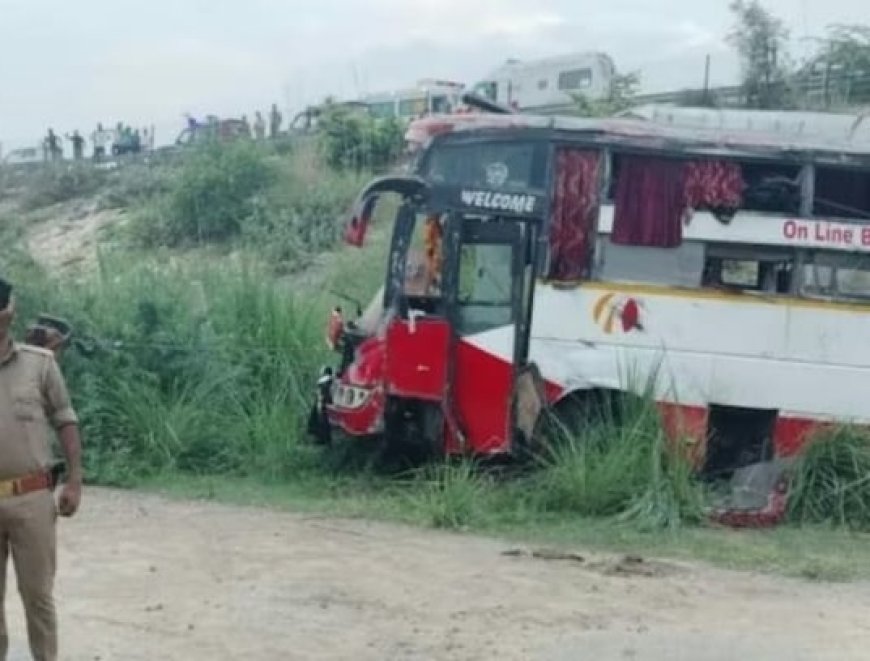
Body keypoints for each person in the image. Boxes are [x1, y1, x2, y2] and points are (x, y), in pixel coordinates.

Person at [0, 277, 82, 661]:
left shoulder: (40, 364)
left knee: (37, 598)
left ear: (11, 312)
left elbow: (66, 420)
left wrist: (74, 482)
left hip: (32, 499)